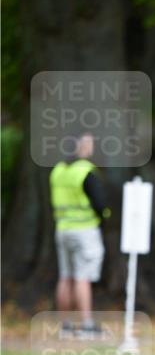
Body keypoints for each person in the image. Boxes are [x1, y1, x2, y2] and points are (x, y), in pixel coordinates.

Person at [49, 133, 109, 338]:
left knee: (65, 277)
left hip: (62, 229)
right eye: (88, 143)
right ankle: (86, 325)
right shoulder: (85, 171)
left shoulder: (58, 170)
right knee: (83, 277)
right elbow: (100, 204)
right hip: (84, 230)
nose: (91, 147)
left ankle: (65, 327)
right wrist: (105, 216)